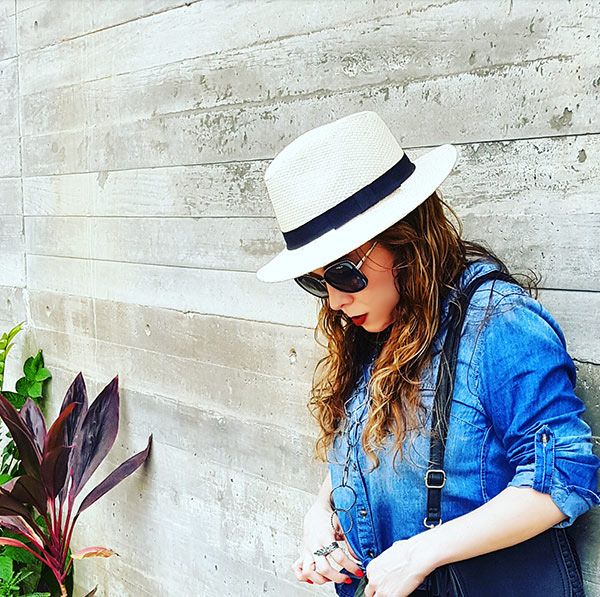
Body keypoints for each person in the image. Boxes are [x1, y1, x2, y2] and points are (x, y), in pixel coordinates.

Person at [255, 111, 600, 597]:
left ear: (407, 241)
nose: (334, 299)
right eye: (314, 281)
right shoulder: (372, 331)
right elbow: (365, 456)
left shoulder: (498, 327)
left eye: (343, 274)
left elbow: (564, 476)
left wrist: (420, 553)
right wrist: (326, 516)